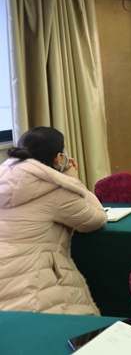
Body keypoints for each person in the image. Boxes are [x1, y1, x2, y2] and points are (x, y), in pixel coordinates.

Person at [0, 126, 107, 314]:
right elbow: (96, 219)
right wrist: (74, 182)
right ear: (59, 158)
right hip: (30, 283)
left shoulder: (6, 177)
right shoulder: (55, 188)